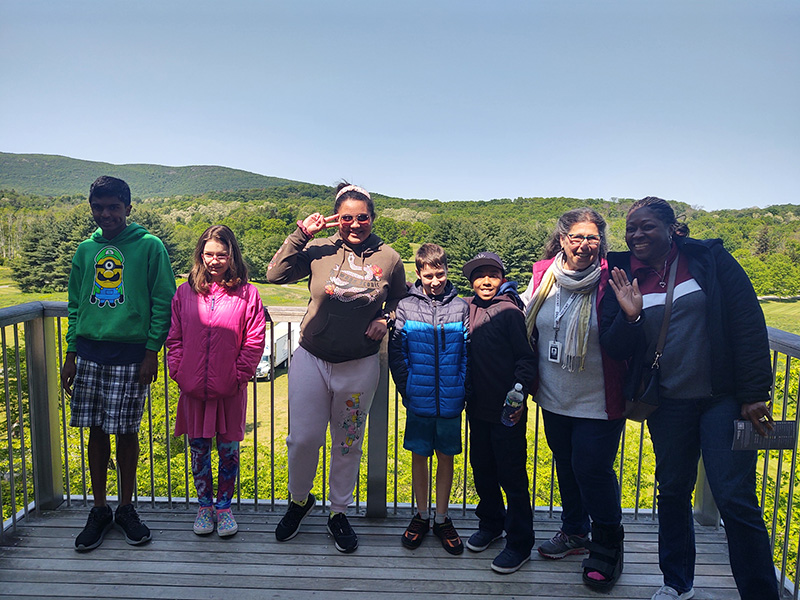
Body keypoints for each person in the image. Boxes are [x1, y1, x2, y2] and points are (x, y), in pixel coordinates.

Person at [600, 197, 779, 600]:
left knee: (734, 497)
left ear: (670, 228)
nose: (637, 235)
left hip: (723, 399)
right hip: (668, 403)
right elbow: (612, 344)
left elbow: (748, 322)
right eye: (631, 229)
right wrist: (629, 316)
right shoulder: (624, 274)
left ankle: (760, 592)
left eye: (646, 226)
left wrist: (754, 394)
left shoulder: (708, 260)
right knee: (673, 490)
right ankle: (677, 583)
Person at [267, 182, 407, 553]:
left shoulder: (390, 259)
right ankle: (300, 501)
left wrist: (388, 318)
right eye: (347, 217)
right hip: (312, 359)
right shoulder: (318, 250)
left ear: (372, 218)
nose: (355, 223)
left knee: (347, 443)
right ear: (336, 219)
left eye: (362, 217)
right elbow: (275, 275)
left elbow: (401, 301)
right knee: (303, 440)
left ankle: (338, 512)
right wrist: (301, 234)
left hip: (359, 365)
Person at [61, 176, 176, 551]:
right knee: (95, 431)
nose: (105, 214)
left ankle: (126, 508)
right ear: (91, 207)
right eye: (98, 207)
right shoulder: (85, 250)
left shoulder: (149, 246)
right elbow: (76, 304)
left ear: (129, 207)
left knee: (126, 433)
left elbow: (163, 301)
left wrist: (151, 351)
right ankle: (99, 509)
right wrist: (71, 353)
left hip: (131, 356)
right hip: (90, 354)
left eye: (113, 206)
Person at [521, 208, 627, 590]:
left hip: (598, 398)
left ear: (602, 242)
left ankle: (608, 545)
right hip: (554, 395)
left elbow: (626, 338)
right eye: (577, 237)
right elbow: (522, 314)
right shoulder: (543, 276)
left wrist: (632, 319)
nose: (584, 244)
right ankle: (575, 531)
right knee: (566, 465)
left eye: (592, 237)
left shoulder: (611, 279)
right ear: (562, 239)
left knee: (592, 469)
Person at [165, 225, 265, 537]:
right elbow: (174, 338)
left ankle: (224, 507)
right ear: (200, 255)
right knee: (197, 449)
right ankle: (204, 506)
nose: (214, 260)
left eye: (221, 254)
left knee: (228, 451)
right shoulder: (185, 292)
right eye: (209, 254)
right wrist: (178, 371)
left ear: (232, 255)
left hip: (229, 390)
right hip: (193, 389)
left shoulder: (248, 294)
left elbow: (254, 340)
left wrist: (238, 375)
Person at [388, 243, 469, 555]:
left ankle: (442, 517)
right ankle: (421, 515)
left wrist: (460, 385)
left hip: (451, 400)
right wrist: (407, 387)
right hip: (418, 399)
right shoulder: (407, 307)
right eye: (428, 275)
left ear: (446, 272)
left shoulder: (461, 307)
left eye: (440, 274)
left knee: (446, 458)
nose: (435, 281)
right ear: (418, 274)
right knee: (419, 457)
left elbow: (467, 353)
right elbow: (398, 352)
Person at [462, 251, 537, 573]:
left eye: (493, 274)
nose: (486, 280)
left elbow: (526, 358)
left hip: (507, 411)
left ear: (503, 278)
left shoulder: (510, 313)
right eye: (479, 275)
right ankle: (491, 523)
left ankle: (520, 542)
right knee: (482, 469)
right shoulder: (467, 308)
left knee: (512, 475)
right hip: (476, 408)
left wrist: (518, 393)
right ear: (471, 281)